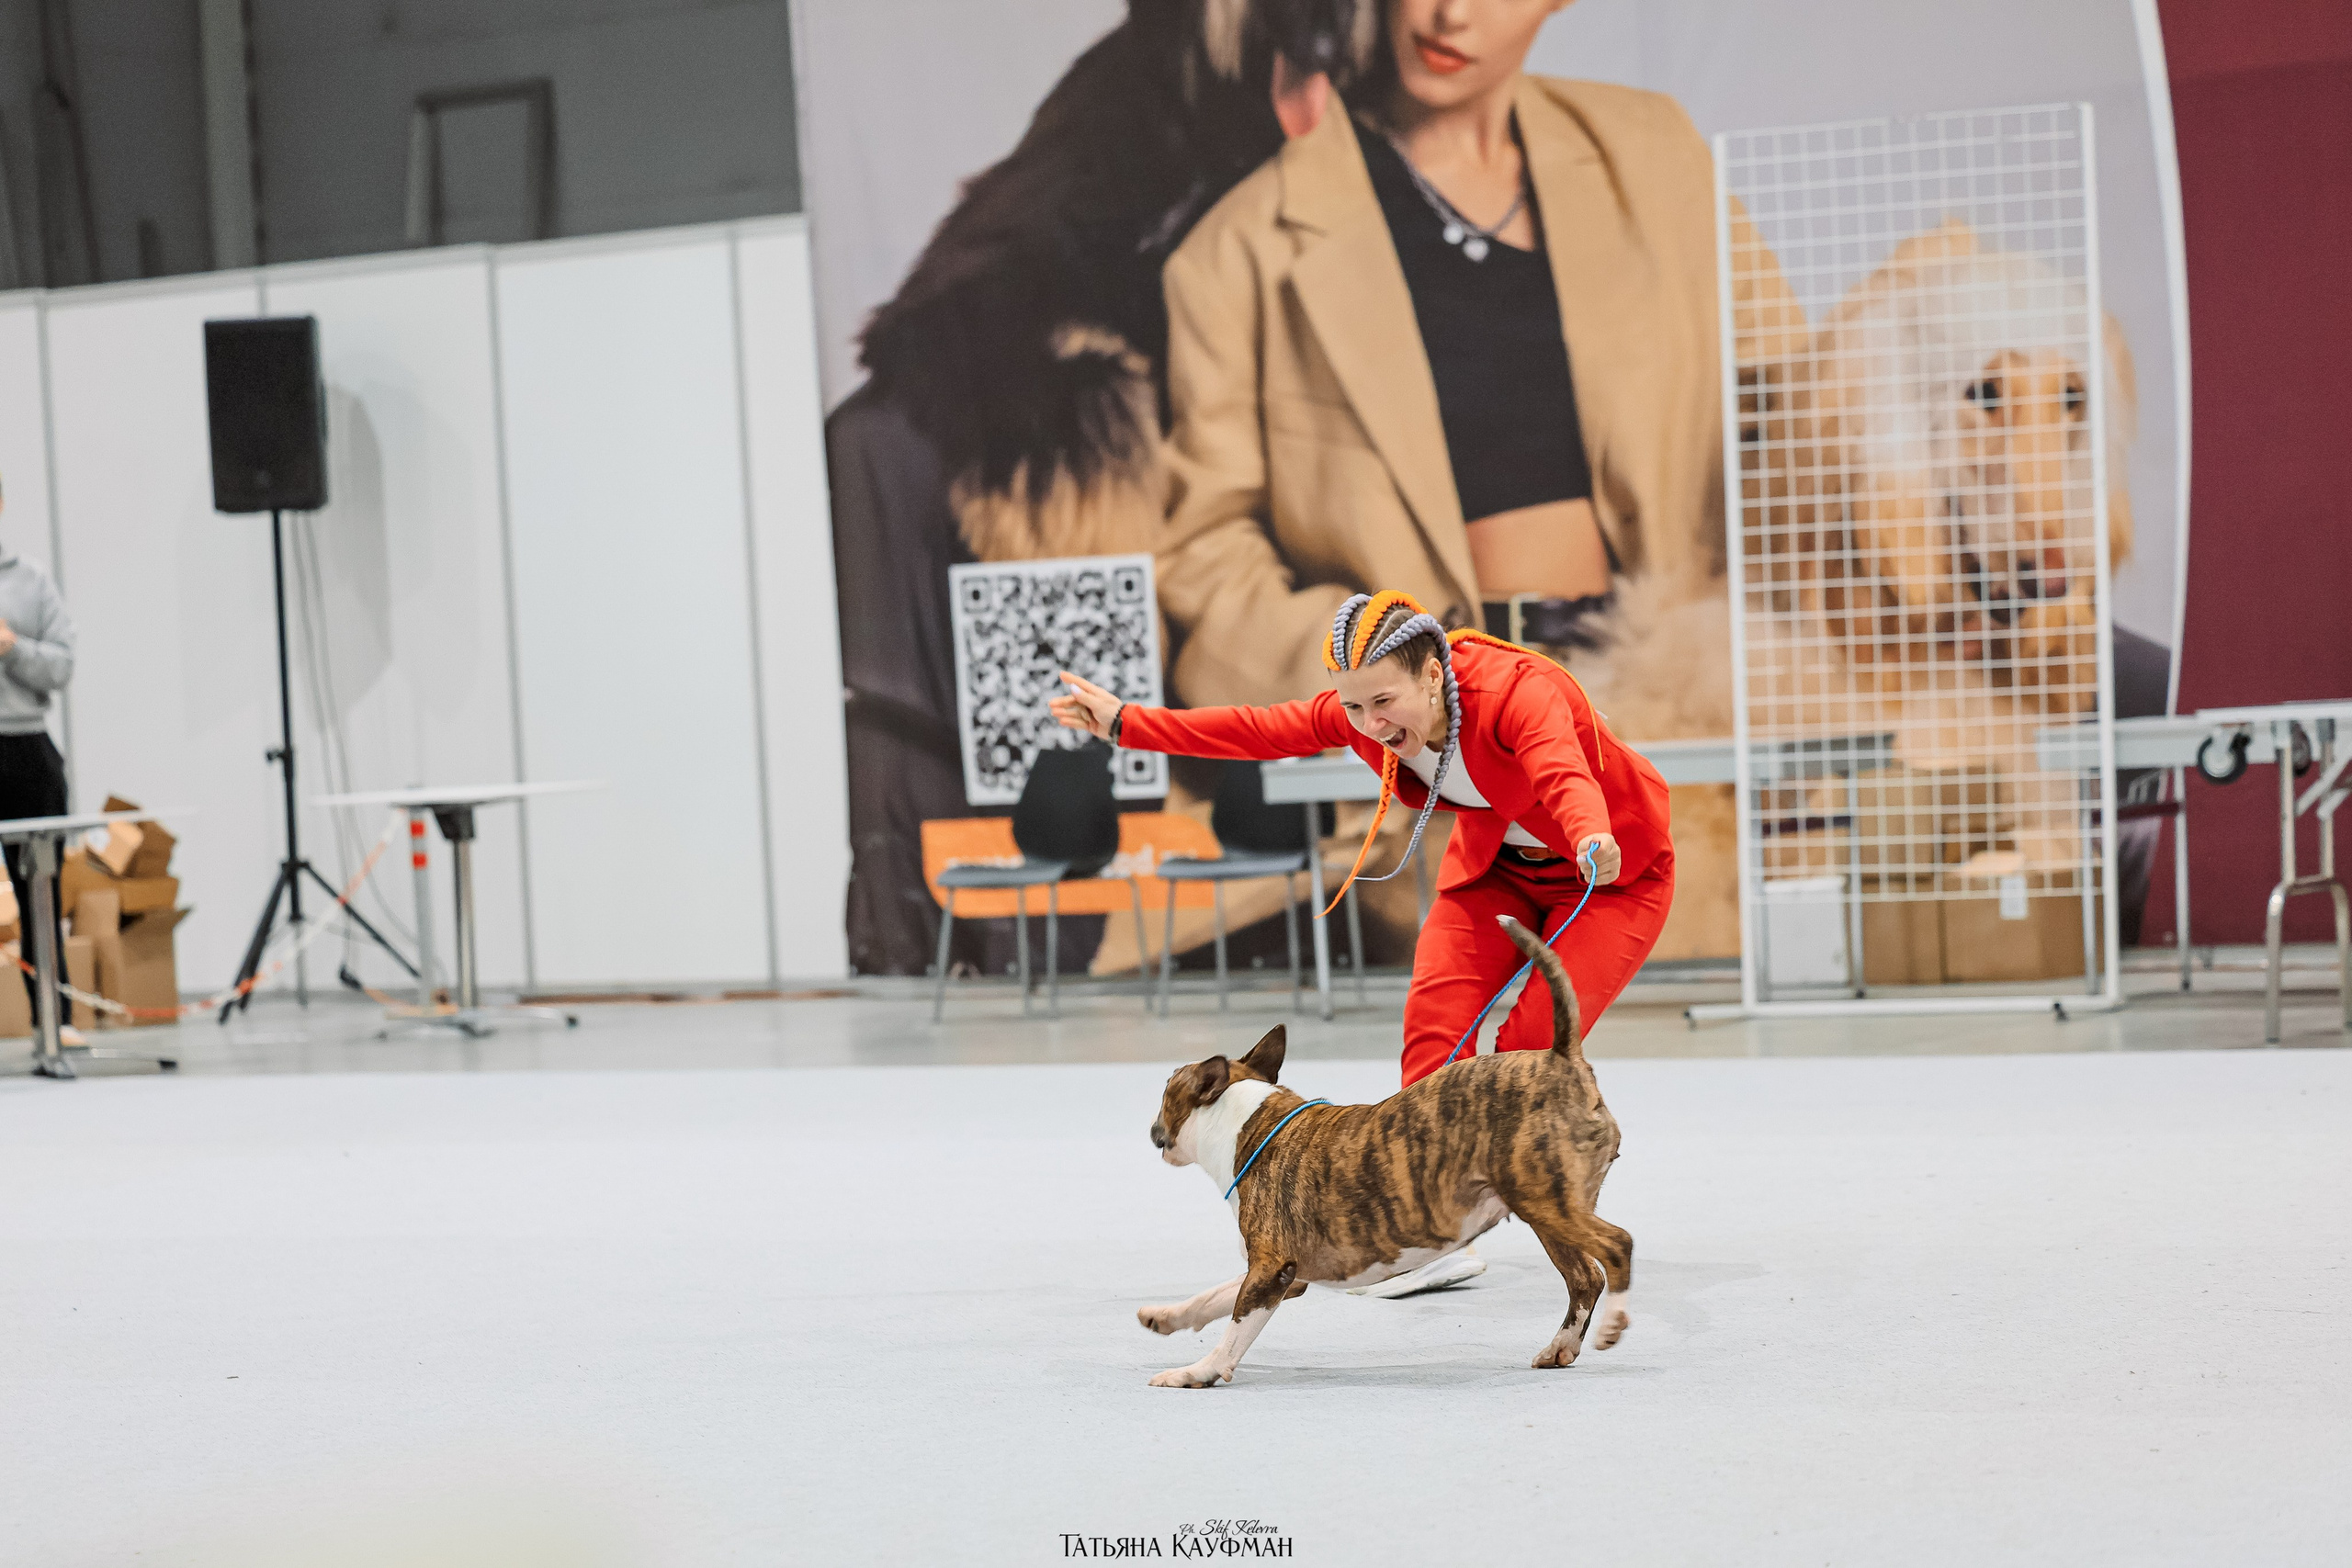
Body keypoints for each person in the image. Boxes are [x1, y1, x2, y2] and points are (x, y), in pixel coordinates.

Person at [1153, 0, 1804, 716]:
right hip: (1437, 747)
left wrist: (1917, 592)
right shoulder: (1235, 252)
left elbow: (1800, 429)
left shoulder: (1657, 156)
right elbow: (1206, 554)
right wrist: (1389, 675)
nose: (1449, 14)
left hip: (1678, 708)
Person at [1053, 591, 1671, 1294]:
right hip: (1498, 867)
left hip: (1611, 873)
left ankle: (1548, 1184)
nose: (1371, 725)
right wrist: (1128, 722)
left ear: (1433, 675)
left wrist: (1592, 832)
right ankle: (1434, 1224)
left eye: (1383, 702)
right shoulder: (1364, 717)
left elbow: (1559, 766)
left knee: (1531, 1043)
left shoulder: (1515, 693)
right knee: (1432, 1031)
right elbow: (1256, 728)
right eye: (1352, 709)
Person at [0, 477, 77, 1040]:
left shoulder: (30, 580)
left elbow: (62, 666)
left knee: (39, 897)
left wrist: (12, 647)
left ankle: (56, 1020)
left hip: (26, 749)